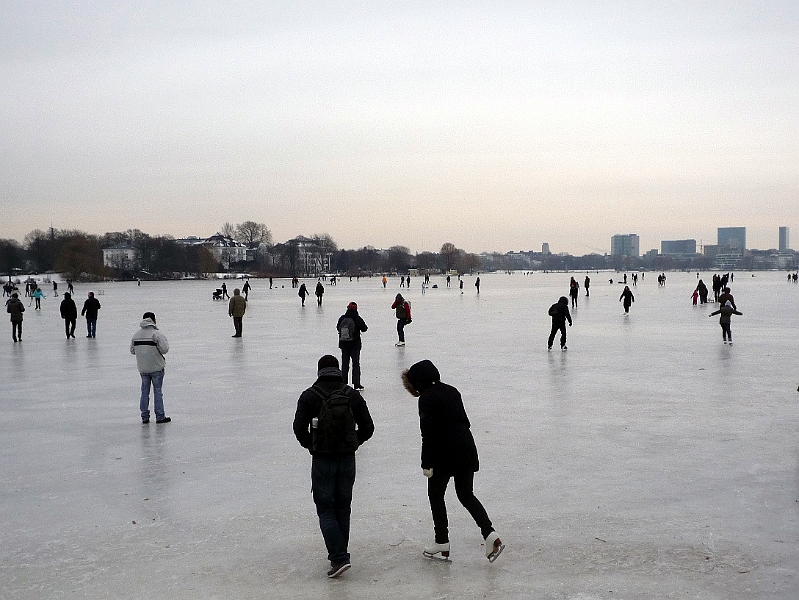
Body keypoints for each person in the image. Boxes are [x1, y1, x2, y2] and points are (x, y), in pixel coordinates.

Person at [401, 360, 504, 563]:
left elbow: (428, 434)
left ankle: (442, 541)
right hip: (466, 448)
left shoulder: (426, 398)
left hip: (443, 454)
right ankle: (490, 534)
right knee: (466, 494)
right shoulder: (452, 390)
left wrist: (426, 463)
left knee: (435, 495)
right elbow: (464, 421)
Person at [292, 355, 374, 579]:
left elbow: (299, 428)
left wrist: (312, 445)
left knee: (326, 509)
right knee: (342, 508)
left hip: (323, 460)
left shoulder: (310, 396)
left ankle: (339, 557)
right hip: (348, 459)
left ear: (319, 372)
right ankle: (339, 553)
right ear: (338, 370)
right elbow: (368, 427)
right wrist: (354, 442)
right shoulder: (352, 395)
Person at [130, 312, 170, 424]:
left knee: (144, 392)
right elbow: (165, 349)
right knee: (157, 391)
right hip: (156, 366)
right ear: (153, 320)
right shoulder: (156, 334)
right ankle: (160, 415)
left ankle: (144, 416)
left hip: (143, 368)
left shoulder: (136, 335)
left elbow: (132, 351)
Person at [337, 302, 368, 391]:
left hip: (344, 344)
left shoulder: (342, 318)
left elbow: (338, 327)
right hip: (355, 345)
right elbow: (364, 328)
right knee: (356, 364)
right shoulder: (357, 318)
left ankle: (343, 383)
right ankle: (356, 384)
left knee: (345, 364)